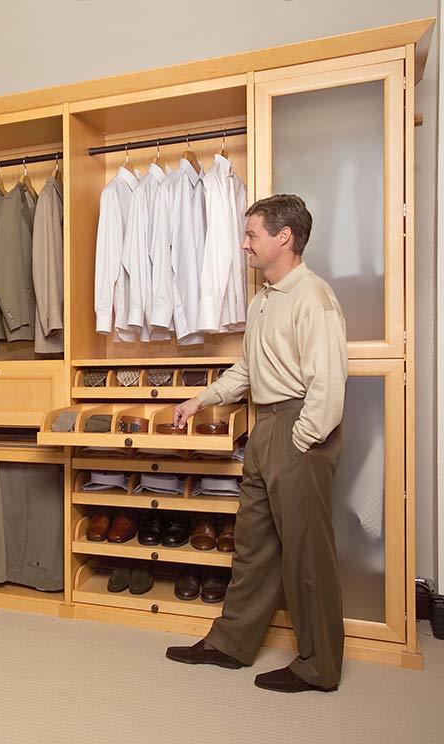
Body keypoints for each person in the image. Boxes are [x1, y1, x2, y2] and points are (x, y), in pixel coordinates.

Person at [165, 194, 348, 693]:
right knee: (253, 546)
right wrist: (199, 401)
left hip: (299, 428)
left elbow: (328, 387)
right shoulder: (264, 298)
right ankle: (231, 643)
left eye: (252, 235)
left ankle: (319, 667)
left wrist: (300, 440)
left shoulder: (314, 298)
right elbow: (247, 371)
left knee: (307, 555)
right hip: (265, 425)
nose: (245, 244)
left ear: (283, 237)